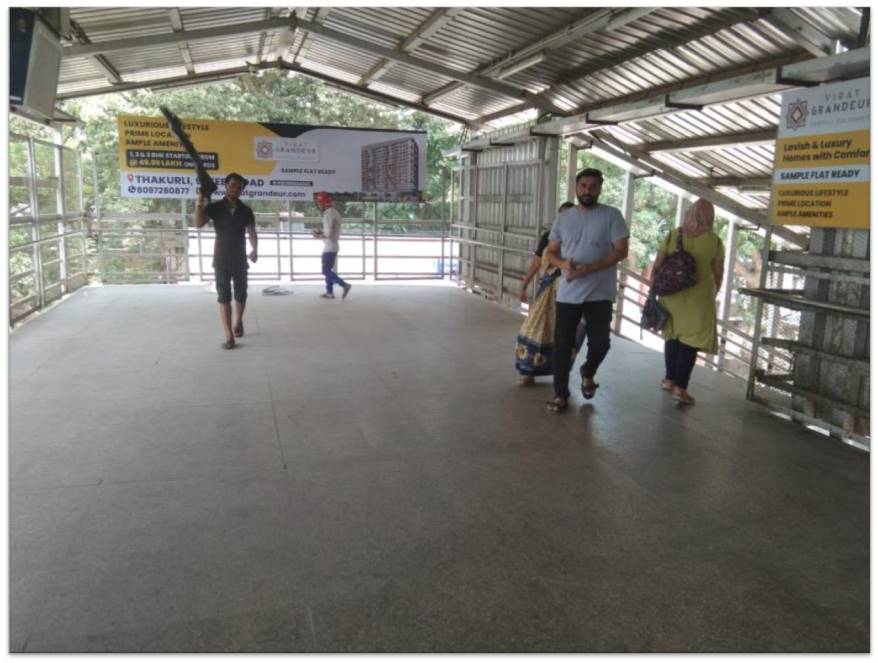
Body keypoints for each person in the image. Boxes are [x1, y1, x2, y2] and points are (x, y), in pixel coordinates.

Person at [544, 168, 629, 413]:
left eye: (593, 186)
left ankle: (587, 372)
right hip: (569, 293)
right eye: (583, 186)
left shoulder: (612, 215)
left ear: (600, 188)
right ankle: (560, 394)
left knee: (601, 342)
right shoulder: (565, 217)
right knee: (562, 344)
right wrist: (564, 265)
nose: (587, 191)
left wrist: (589, 269)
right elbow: (551, 252)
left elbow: (620, 250)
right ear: (576, 188)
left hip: (599, 293)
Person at [650, 198, 723, 405]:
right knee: (690, 342)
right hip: (699, 300)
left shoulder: (674, 235)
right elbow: (718, 274)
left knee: (672, 336)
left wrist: (656, 288)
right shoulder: (715, 241)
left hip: (671, 295)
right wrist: (712, 293)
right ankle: (681, 388)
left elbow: (657, 265)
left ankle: (669, 379)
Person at [515, 202, 581, 386]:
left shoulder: (580, 238)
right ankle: (528, 371)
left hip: (572, 292)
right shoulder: (549, 237)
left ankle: (561, 375)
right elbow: (536, 263)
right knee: (534, 328)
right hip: (547, 291)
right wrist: (524, 285)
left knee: (565, 334)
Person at [193, 172, 258, 350]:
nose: (235, 189)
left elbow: (252, 232)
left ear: (242, 190)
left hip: (239, 258)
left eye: (239, 186)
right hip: (220, 259)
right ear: (226, 186)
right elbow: (198, 223)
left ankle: (238, 321)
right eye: (232, 185)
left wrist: (255, 249)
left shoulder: (246, 211)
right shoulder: (215, 207)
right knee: (224, 297)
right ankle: (229, 336)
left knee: (241, 294)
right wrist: (199, 200)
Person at [312, 192, 351, 300]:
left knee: (325, 271)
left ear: (323, 203)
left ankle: (344, 285)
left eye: (319, 203)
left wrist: (318, 235)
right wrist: (322, 232)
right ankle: (329, 292)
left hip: (329, 247)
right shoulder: (335, 213)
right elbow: (331, 231)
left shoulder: (328, 214)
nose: (319, 206)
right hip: (332, 246)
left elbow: (328, 234)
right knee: (328, 270)